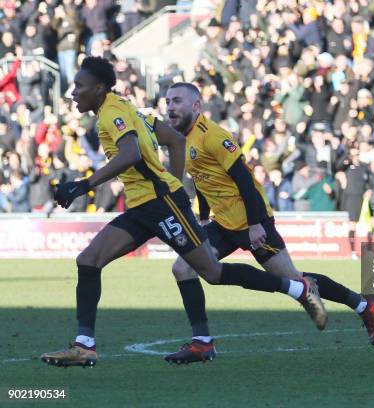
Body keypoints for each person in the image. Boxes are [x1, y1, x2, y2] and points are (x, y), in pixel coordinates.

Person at [40, 57, 327, 368]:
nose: (73, 92)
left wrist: (86, 184)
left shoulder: (113, 113)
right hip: (143, 206)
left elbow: (131, 153)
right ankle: (85, 346)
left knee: (212, 273)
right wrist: (174, 182)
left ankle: (299, 288)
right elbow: (175, 140)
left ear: (98, 88)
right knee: (88, 260)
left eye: (79, 86)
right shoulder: (122, 110)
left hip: (161, 205)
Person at [163, 82, 374, 364]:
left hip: (251, 218)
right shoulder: (184, 138)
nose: (170, 107)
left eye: (177, 101)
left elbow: (245, 179)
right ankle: (202, 343)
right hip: (223, 223)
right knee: (183, 268)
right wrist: (205, 217)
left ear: (196, 106)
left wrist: (256, 225)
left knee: (295, 280)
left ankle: (365, 306)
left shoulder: (214, 136)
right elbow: (203, 180)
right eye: (168, 101)